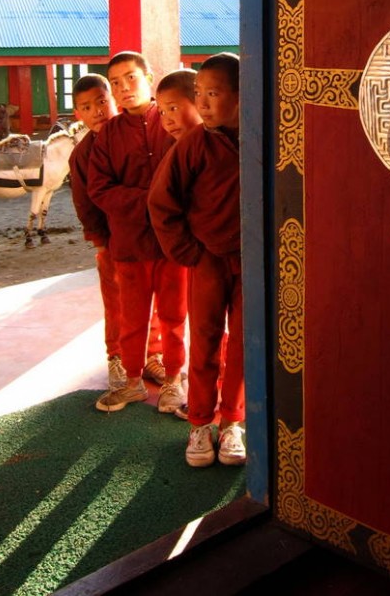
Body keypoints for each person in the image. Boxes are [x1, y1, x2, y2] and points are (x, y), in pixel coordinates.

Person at [148, 52, 245, 468]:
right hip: (206, 260)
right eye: (199, 94)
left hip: (252, 262)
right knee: (204, 339)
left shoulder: (264, 139)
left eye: (214, 93)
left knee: (243, 343)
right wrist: (188, 252)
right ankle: (201, 422)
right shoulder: (193, 146)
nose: (202, 103)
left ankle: (233, 422)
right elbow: (161, 202)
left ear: (242, 96)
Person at [86, 51, 188, 416]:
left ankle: (174, 380)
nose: (123, 88)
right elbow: (99, 187)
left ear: (148, 77)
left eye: (130, 78)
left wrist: (163, 205)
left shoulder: (171, 122)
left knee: (174, 317)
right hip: (128, 244)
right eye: (115, 83)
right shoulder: (109, 135)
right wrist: (150, 201)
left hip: (173, 243)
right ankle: (132, 382)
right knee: (132, 318)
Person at [68, 73, 164, 394]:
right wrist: (101, 241)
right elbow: (86, 204)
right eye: (86, 107)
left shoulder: (135, 134)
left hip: (146, 235)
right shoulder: (81, 154)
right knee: (117, 300)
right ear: (77, 113)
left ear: (114, 100)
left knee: (153, 299)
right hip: (112, 241)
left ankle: (153, 354)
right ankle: (117, 355)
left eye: (101, 101)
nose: (97, 111)